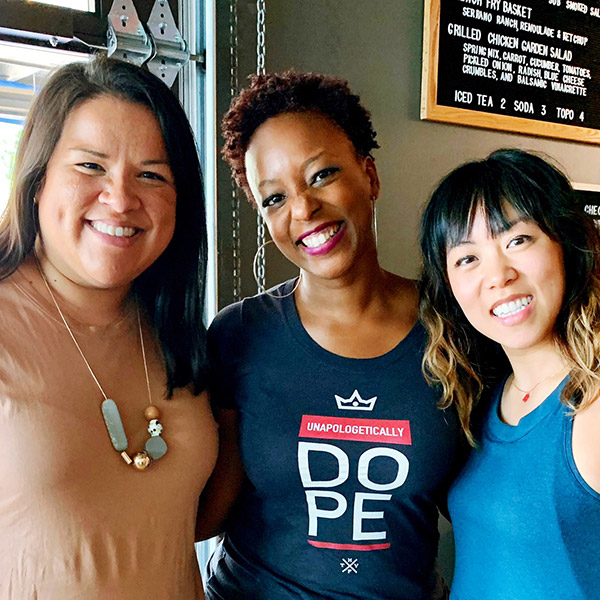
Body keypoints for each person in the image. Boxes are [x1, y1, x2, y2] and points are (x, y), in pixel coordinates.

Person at [198, 70, 462, 600]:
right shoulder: (238, 335)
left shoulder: (458, 328)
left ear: (370, 176)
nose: (301, 209)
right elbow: (208, 512)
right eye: (273, 199)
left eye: (321, 175)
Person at [0, 56, 218, 599]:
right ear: (36, 179)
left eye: (151, 174)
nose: (121, 199)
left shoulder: (175, 329)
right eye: (90, 166)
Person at [419, 148, 600, 599]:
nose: (498, 275)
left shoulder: (593, 400)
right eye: (467, 259)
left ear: (565, 245)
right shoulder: (482, 399)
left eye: (518, 240)